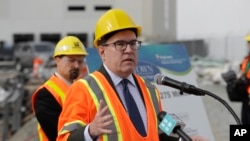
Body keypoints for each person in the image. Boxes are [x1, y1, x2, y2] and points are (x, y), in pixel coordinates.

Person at [57, 9, 209, 141]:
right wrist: (90, 131)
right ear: (102, 51)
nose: (129, 50)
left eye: (133, 43)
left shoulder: (150, 89)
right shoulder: (82, 90)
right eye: (120, 44)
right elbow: (64, 138)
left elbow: (160, 135)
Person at [32, 36, 89, 141]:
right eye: (71, 60)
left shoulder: (82, 88)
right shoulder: (45, 95)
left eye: (80, 61)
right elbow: (57, 135)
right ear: (57, 60)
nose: (76, 65)